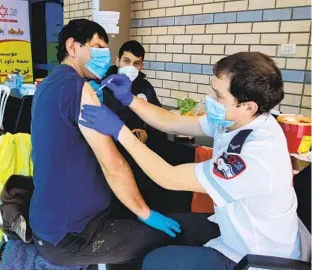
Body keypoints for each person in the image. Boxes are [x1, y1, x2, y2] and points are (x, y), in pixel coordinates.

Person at [80, 52, 301, 269]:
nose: (210, 101)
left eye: (219, 96)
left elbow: (169, 177)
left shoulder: (256, 156)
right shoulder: (236, 119)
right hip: (232, 229)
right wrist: (130, 100)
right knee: (160, 232)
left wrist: (120, 130)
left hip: (253, 256)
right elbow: (172, 122)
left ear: (248, 106)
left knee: (156, 263)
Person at [30, 19, 210, 267]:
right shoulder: (79, 89)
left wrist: (128, 101)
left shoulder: (47, 84)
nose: (104, 56)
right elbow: (113, 164)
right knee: (182, 231)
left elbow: (168, 120)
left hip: (48, 221)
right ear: (72, 47)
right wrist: (145, 213)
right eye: (97, 46)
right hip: (76, 234)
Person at [100, 40, 194, 218]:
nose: (131, 67)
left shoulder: (145, 87)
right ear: (118, 60)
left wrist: (146, 132)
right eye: (127, 61)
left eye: (136, 63)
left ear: (142, 65)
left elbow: (158, 117)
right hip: (111, 149)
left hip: (140, 151)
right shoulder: (104, 84)